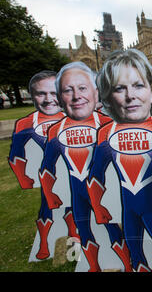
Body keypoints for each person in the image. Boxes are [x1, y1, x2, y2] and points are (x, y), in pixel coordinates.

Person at [89, 49, 152, 272]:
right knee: (136, 257)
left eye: (138, 85)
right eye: (119, 88)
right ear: (108, 95)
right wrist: (99, 208)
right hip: (127, 208)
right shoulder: (105, 133)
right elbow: (95, 176)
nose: (130, 95)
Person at [38, 62, 132, 272]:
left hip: (107, 191)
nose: (76, 96)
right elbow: (46, 168)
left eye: (82, 88)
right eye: (67, 90)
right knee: (84, 227)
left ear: (96, 92)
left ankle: (128, 264)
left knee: (115, 228)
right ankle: (93, 266)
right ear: (60, 96)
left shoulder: (110, 124)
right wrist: (49, 192)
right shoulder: (56, 130)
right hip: (77, 191)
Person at [8, 70, 79, 260]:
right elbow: (16, 153)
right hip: (47, 175)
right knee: (46, 209)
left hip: (73, 173)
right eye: (41, 94)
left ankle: (75, 245)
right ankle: (45, 244)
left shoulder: (75, 117)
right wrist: (23, 177)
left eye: (54, 93)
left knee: (73, 207)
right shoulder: (26, 123)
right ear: (33, 96)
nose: (49, 99)